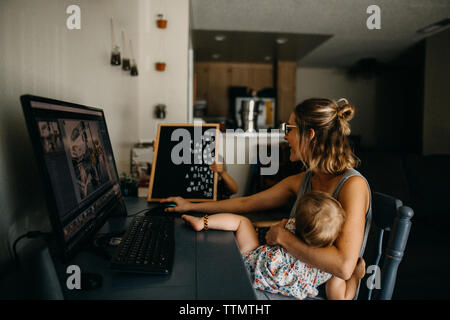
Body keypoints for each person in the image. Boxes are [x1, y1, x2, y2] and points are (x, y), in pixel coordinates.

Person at [162, 97, 372, 299]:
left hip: (315, 292)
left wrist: (283, 237)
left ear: (310, 135)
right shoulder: (305, 179)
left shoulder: (353, 185)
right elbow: (246, 202)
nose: (285, 136)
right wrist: (190, 205)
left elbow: (344, 267)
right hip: (283, 281)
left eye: (289, 129)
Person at [182, 191, 366, 300]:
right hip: (280, 291)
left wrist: (282, 225)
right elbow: (339, 297)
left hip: (253, 264)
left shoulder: (290, 226)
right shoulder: (328, 266)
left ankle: (202, 222)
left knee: (243, 223)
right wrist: (355, 277)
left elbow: (272, 235)